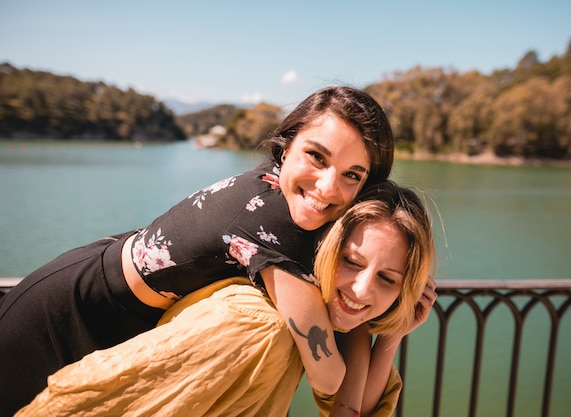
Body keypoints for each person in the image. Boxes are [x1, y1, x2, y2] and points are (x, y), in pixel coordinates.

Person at [0, 86, 395, 416]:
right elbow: (328, 377)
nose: (328, 187)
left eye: (352, 175)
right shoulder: (273, 222)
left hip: (109, 311)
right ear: (286, 145)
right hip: (66, 316)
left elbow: (344, 320)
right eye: (316, 156)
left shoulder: (298, 211)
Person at [15, 181, 437, 417]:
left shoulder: (328, 309)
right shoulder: (257, 326)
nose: (363, 291)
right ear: (327, 249)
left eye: (388, 278)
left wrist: (392, 336)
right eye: (351, 261)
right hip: (54, 317)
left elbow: (350, 408)